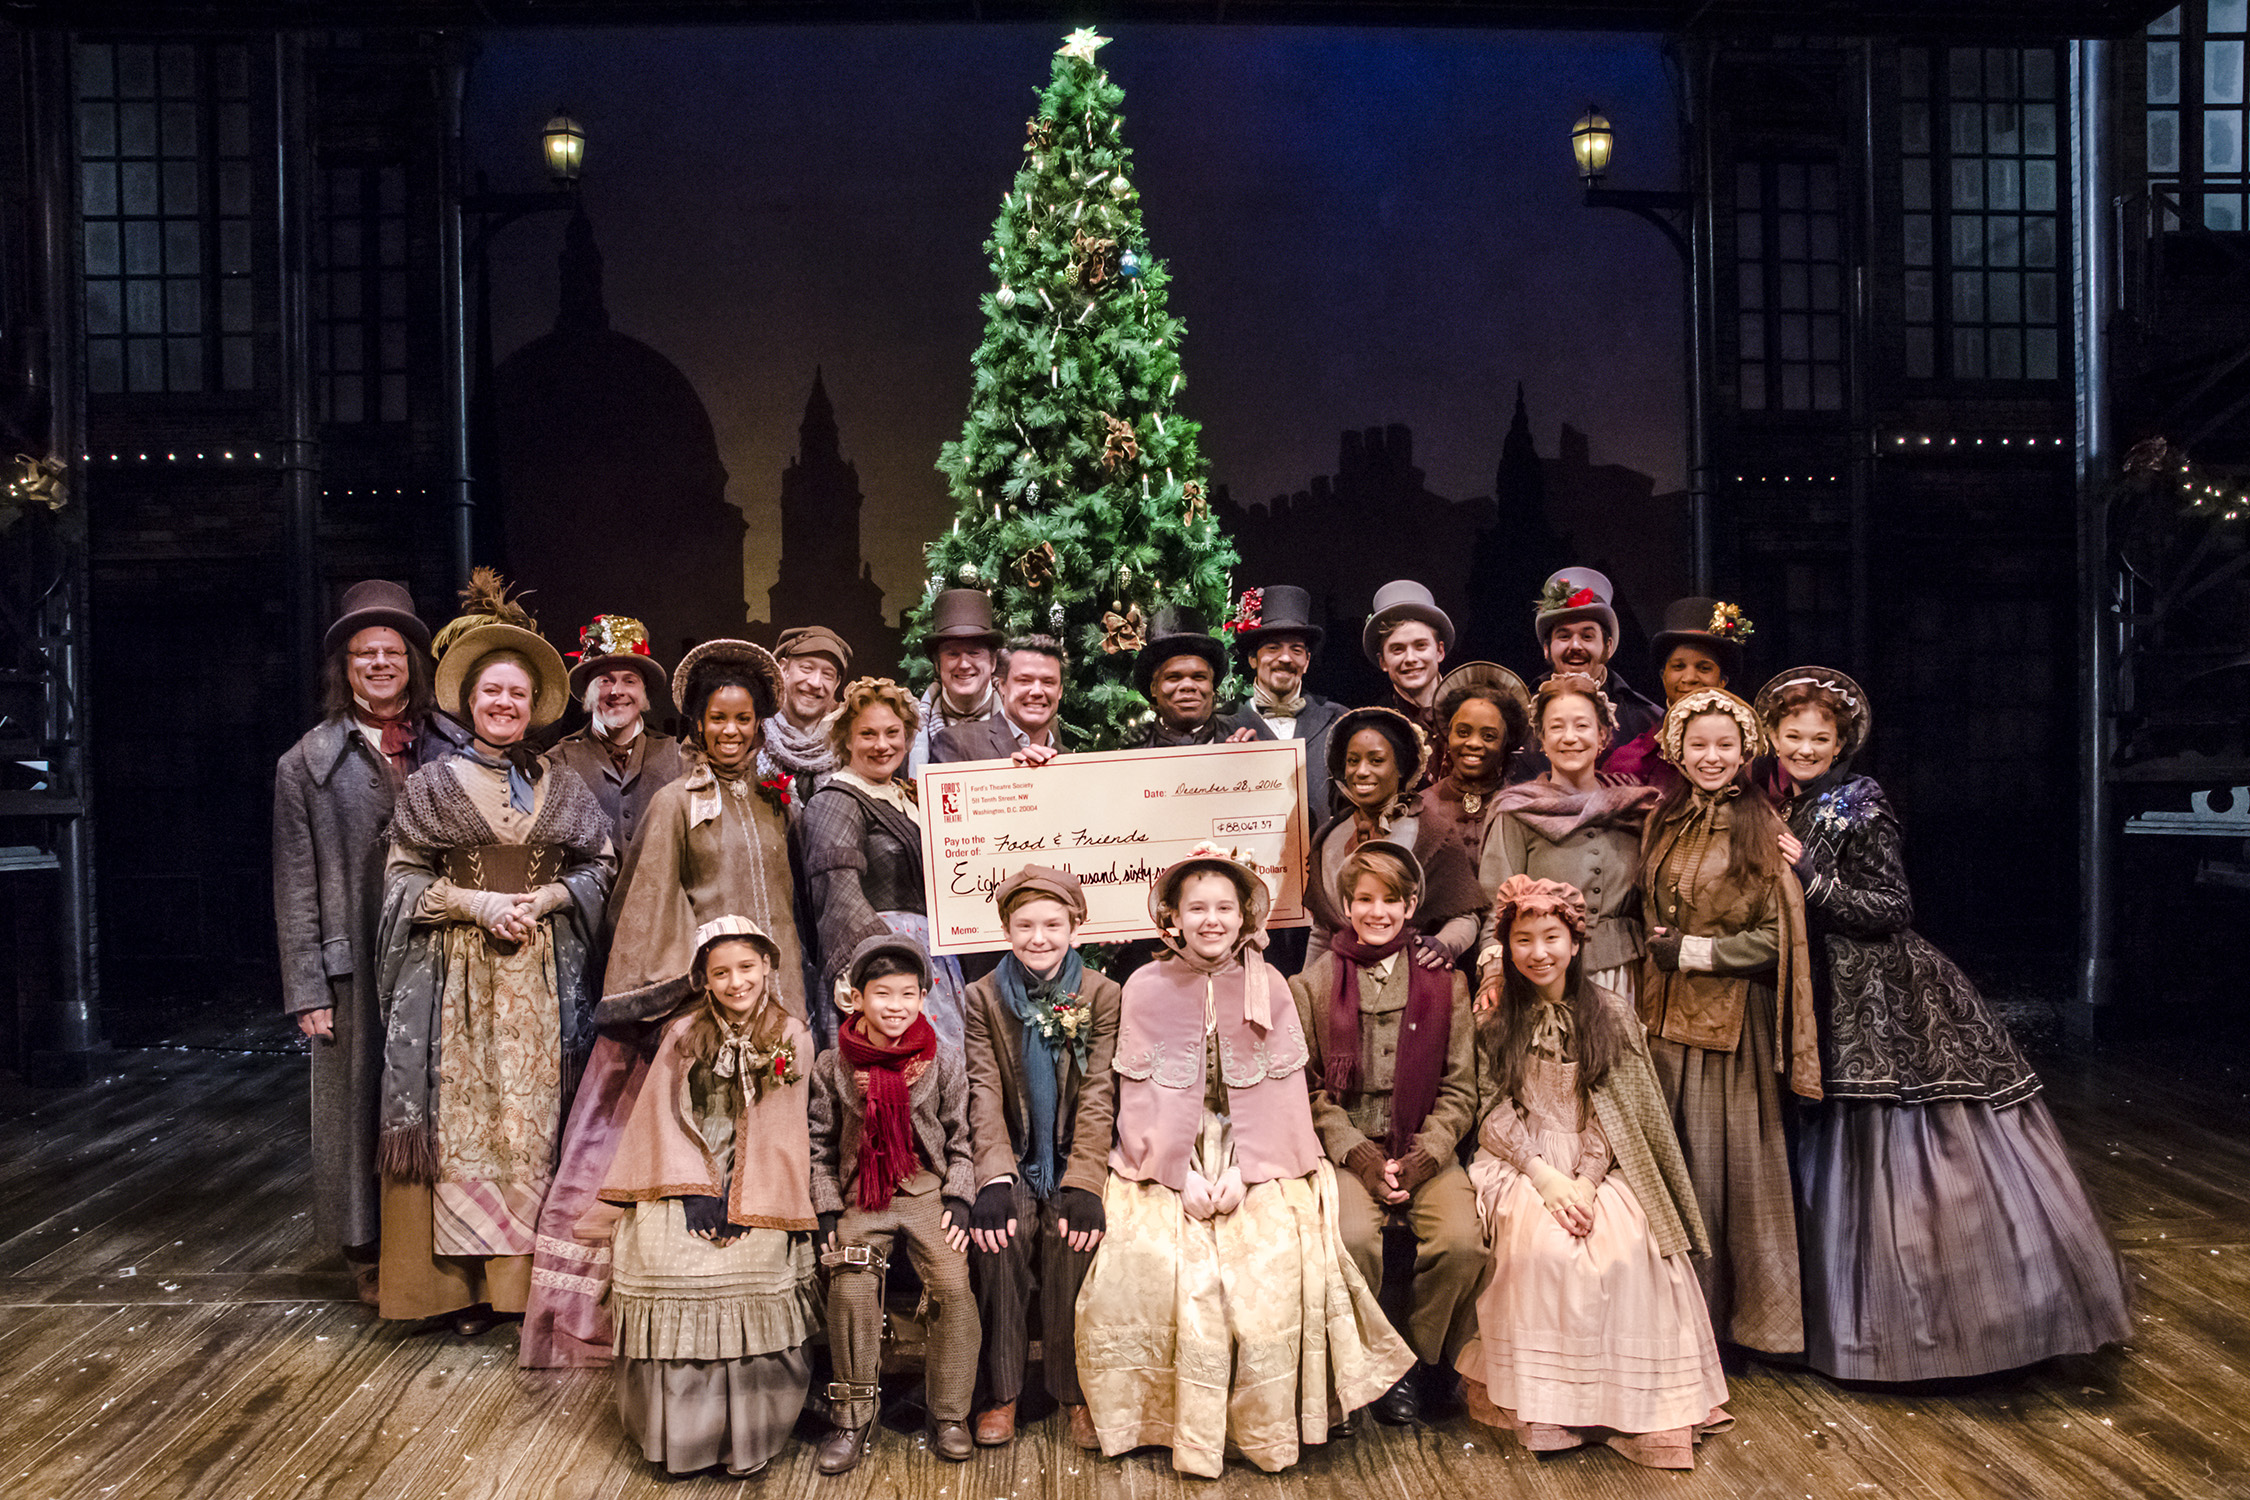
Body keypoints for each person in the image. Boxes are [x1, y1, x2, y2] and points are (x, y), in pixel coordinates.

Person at [1754, 666, 2131, 1381]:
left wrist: (1811, 875)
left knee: (1904, 1147)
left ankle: (1943, 1328)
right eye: (1793, 735)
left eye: (1819, 738)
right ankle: (1847, 1323)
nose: (1805, 747)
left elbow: (1891, 906)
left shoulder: (1857, 802)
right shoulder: (1790, 802)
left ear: (1841, 743)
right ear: (1773, 737)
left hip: (1885, 995)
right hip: (1823, 990)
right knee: (1835, 1149)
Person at [1073, 845, 1412, 1476]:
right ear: (1172, 916)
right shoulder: (1144, 987)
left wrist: (1245, 1170)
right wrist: (1179, 1175)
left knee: (1278, 1256)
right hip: (1166, 1156)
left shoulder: (1271, 985)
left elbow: (1285, 1095)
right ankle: (1158, 1418)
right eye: (1196, 907)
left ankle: (1263, 1424)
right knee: (1145, 1257)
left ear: (1243, 914)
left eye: (1223, 907)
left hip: (1256, 1151)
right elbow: (1138, 1099)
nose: (1210, 920)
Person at [518, 637, 807, 1369]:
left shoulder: (778, 804)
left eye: (744, 719)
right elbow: (647, 905)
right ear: (698, 725)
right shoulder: (679, 803)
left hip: (773, 1006)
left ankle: (767, 1325)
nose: (733, 732)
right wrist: (689, 1000)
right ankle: (669, 1327)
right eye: (719, 719)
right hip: (701, 1014)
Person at [373, 580, 615, 1335]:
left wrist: (547, 900)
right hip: (462, 980)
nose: (505, 704)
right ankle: (463, 1289)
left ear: (534, 703)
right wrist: (477, 904)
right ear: (470, 700)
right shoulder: (434, 784)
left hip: (545, 977)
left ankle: (528, 1289)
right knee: (470, 1122)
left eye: (517, 693)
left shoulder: (562, 783)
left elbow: (602, 864)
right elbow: (402, 879)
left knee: (536, 1122)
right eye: (492, 692)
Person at [1458, 874, 1729, 1470]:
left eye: (1551, 937)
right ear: (1507, 946)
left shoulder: (1609, 1012)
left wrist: (1583, 1177)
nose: (1538, 952)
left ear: (1575, 943)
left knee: (1626, 1245)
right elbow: (1488, 1108)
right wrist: (1544, 1177)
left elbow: (1621, 1111)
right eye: (1523, 939)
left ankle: (1621, 1405)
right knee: (1545, 1247)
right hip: (1518, 1156)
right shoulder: (1493, 1015)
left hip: (1597, 1160)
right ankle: (1550, 1405)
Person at [273, 578, 469, 1301]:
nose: (380, 663)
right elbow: (293, 882)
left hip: (441, 952)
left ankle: (438, 1250)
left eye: (392, 650)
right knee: (356, 1107)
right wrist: (307, 988)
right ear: (345, 667)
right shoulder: (306, 764)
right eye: (364, 653)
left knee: (440, 1101)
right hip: (352, 961)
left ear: (413, 662)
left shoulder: (452, 747)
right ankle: (365, 1251)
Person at [598, 916, 820, 1479]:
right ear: (704, 979)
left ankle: (750, 1435)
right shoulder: (683, 1033)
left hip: (761, 1179)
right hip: (687, 1173)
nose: (736, 981)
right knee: (659, 1253)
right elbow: (661, 1117)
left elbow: (784, 1127)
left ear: (766, 967)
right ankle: (683, 1439)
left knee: (754, 1260)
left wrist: (744, 1197)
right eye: (721, 972)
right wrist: (695, 1189)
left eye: (746, 967)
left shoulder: (790, 1034)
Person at [1636, 687, 1820, 1355]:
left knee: (1734, 1177)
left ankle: (1748, 1327)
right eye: (1698, 744)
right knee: (1681, 1173)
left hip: (1731, 1029)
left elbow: (1781, 937)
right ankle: (1687, 1322)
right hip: (1665, 1020)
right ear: (1676, 751)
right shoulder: (1667, 818)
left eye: (1724, 745)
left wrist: (1691, 949)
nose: (1711, 757)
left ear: (1745, 751)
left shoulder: (1761, 824)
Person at [1288, 842, 1482, 1427]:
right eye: (1364, 900)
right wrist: (1362, 1158)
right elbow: (1310, 1089)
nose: (1378, 912)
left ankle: (1419, 1361)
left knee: (1462, 1243)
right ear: (1346, 906)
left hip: (1424, 1146)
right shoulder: (1316, 984)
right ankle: (1376, 1368)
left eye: (1391, 900)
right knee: (1352, 1239)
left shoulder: (1444, 981)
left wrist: (1428, 1156)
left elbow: (1461, 1087)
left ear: (1411, 904)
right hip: (1353, 1152)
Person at [961, 865, 1121, 1449]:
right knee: (1000, 1235)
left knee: (1070, 1239)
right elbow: (982, 1090)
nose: (1039, 937)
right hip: (1017, 1155)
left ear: (1074, 926)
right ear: (1006, 929)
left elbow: (1100, 1092)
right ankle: (1002, 1390)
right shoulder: (981, 997)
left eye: (1053, 924)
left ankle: (1072, 1390)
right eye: (1024, 925)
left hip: (1070, 1154)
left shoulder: (1103, 995)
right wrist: (994, 1177)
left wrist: (1084, 1181)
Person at [809, 933, 979, 1473]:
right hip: (866, 1193)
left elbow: (960, 1139)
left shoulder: (942, 1060)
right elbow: (819, 1145)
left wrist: (961, 1197)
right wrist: (828, 1208)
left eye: (908, 994)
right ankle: (852, 1418)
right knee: (852, 1284)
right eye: (883, 993)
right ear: (856, 998)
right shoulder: (832, 1065)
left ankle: (949, 1413)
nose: (896, 1006)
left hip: (926, 1189)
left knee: (953, 1286)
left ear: (923, 998)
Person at [800, 677, 968, 1048]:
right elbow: (838, 898)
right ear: (847, 739)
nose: (882, 745)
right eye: (868, 734)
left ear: (907, 737)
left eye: (893, 733)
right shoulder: (837, 800)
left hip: (934, 957)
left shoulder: (907, 798)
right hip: (881, 961)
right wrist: (880, 972)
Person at [1477, 675, 1659, 1011]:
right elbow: (1498, 908)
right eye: (1557, 727)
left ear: (1602, 736)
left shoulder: (1636, 809)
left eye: (1582, 726)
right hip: (1543, 973)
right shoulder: (1517, 811)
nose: (1570, 737)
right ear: (1542, 740)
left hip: (1623, 975)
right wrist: (1493, 972)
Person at [1302, 705, 1485, 970]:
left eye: (1376, 760)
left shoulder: (1432, 833)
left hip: (1412, 978)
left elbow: (1466, 915)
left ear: (1400, 767)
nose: (1361, 771)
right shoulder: (1328, 836)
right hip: (1339, 984)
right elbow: (1321, 931)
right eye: (1353, 761)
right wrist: (1305, 994)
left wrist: (1445, 943)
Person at [1510, 567, 1663, 782]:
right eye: (1563, 636)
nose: (1575, 645)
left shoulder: (1647, 721)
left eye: (1587, 636)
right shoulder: (1517, 715)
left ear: (1608, 647)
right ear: (1546, 649)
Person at [552, 614, 686, 858]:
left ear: (643, 690)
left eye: (629, 680)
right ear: (588, 692)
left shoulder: (679, 757)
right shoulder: (558, 762)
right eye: (605, 681)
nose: (617, 691)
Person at [1216, 585, 1348, 820]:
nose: (1285, 658)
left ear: (1306, 662)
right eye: (1273, 648)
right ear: (1253, 659)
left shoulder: (1338, 721)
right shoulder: (1222, 725)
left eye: (1296, 650)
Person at [1606, 597, 1754, 788]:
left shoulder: (1749, 762)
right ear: (1663, 675)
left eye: (1704, 668)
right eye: (1678, 666)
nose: (1689, 677)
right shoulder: (1629, 762)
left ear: (1722, 681)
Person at [1416, 662, 1531, 876]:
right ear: (1448, 735)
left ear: (1506, 742)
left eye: (1489, 736)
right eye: (1462, 732)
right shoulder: (1421, 809)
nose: (1474, 743)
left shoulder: (1521, 809)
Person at [1133, 607, 1267, 748]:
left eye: (1199, 677)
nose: (1188, 686)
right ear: (1154, 688)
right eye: (1173, 677)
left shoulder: (1245, 738)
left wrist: (1255, 761)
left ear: (1212, 686)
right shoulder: (1132, 750)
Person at [906, 589, 1004, 778]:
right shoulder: (909, 728)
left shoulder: (1020, 721)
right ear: (937, 664)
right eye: (952, 654)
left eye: (974, 652)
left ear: (992, 663)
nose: (964, 664)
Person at [1363, 580, 1453, 785]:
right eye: (1397, 649)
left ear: (1439, 651)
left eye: (1420, 646)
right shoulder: (1374, 724)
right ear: (1383, 661)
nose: (1410, 658)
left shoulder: (1474, 707)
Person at [931, 634, 1071, 766]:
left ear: (1060, 691)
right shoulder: (957, 743)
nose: (1036, 692)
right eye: (1024, 681)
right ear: (1002, 685)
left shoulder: (1070, 760)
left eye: (1048, 682)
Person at [759, 625, 851, 805]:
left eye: (827, 674)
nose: (815, 682)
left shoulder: (849, 743)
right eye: (807, 668)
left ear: (837, 683)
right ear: (783, 668)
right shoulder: (751, 733)